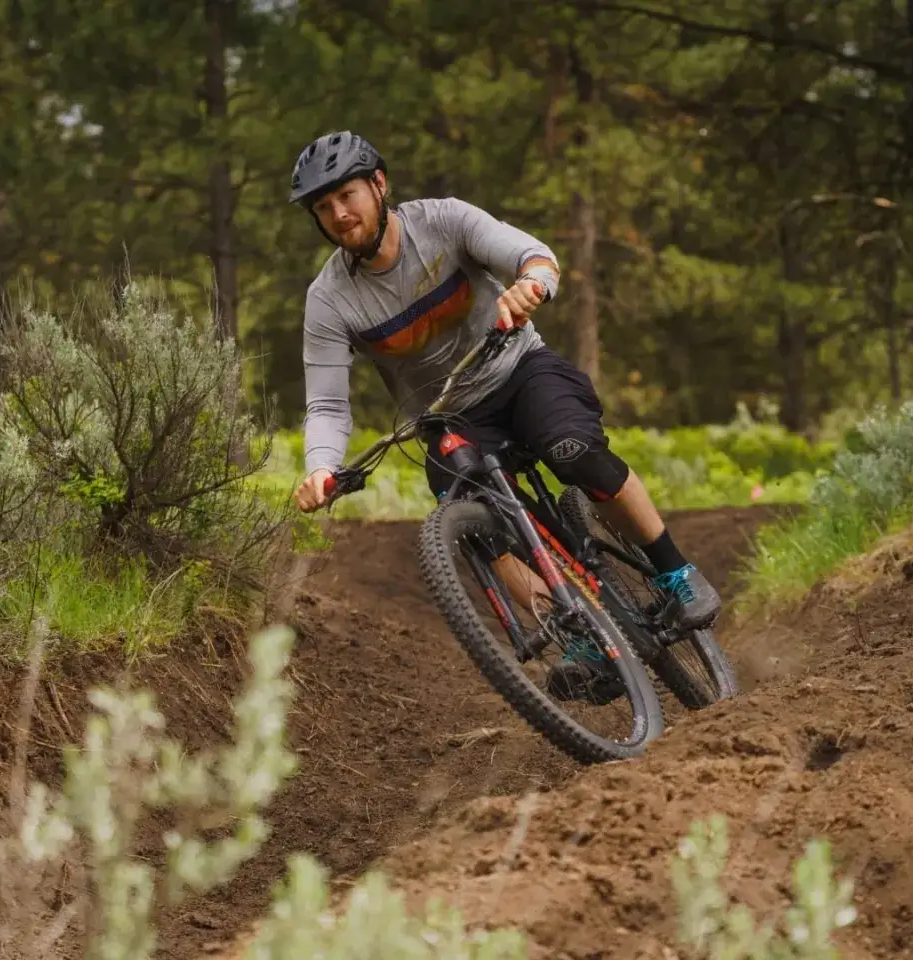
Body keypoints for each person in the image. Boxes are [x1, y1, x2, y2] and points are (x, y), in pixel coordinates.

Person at [288, 130, 720, 702]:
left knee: (574, 451)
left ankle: (674, 572)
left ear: (379, 184)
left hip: (518, 371)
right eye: (324, 207)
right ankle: (577, 635)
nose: (340, 214)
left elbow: (534, 256)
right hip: (445, 418)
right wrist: (321, 466)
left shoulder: (444, 221)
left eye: (347, 195)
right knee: (471, 519)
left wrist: (529, 286)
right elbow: (326, 403)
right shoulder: (329, 298)